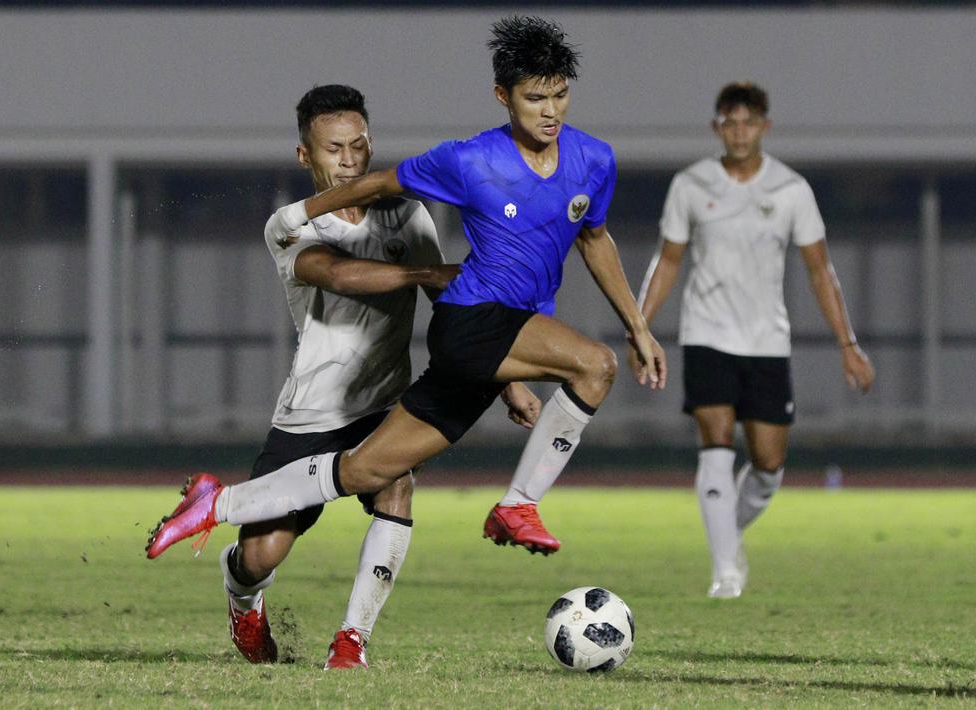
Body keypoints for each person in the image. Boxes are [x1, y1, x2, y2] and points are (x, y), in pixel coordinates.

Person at [147, 16, 665, 568]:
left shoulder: (594, 160)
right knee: (595, 365)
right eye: (535, 98)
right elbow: (378, 185)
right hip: (473, 319)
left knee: (368, 470)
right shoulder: (469, 160)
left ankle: (217, 503)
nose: (551, 111)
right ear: (503, 97)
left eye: (560, 96)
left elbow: (596, 239)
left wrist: (639, 326)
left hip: (494, 341)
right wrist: (300, 213)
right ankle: (519, 504)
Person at [181, 84, 526, 670]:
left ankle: (350, 643)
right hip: (313, 412)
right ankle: (242, 595)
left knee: (397, 486)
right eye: (334, 148)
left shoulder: (407, 213)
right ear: (305, 156)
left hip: (385, 403)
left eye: (359, 146)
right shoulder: (288, 228)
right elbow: (339, 275)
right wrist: (426, 271)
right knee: (262, 555)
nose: (348, 159)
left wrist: (509, 378)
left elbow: (454, 305)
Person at [635, 82, 875, 599]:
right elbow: (668, 260)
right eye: (729, 121)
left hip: (767, 342)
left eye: (748, 122)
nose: (739, 131)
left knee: (767, 465)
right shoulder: (690, 184)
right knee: (716, 445)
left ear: (764, 126)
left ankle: (729, 534)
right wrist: (640, 327)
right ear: (716, 127)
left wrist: (847, 344)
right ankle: (725, 572)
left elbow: (820, 271)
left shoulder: (790, 190)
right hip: (707, 335)